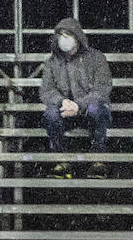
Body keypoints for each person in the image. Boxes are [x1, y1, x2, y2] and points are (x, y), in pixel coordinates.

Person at [39, 17, 112, 179]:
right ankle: (62, 161)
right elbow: (46, 91)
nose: (63, 40)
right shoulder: (52, 62)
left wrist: (79, 105)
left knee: (97, 109)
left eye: (67, 36)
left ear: (77, 37)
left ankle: (97, 161)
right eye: (60, 36)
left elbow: (102, 89)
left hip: (90, 111)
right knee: (50, 114)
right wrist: (62, 101)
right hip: (65, 112)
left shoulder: (96, 58)